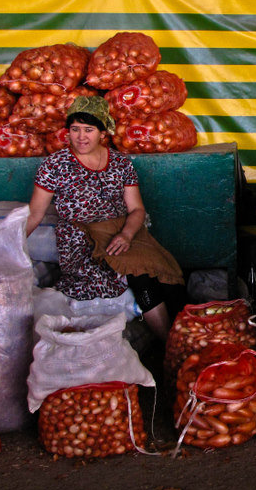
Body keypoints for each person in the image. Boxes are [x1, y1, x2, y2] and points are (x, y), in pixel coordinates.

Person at [26, 96, 178, 341]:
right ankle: (166, 345)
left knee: (161, 274)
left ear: (102, 132)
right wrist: (10, 243)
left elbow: (137, 210)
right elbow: (35, 213)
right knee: (140, 278)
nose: (81, 137)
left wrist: (126, 235)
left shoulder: (120, 164)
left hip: (120, 234)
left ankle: (170, 343)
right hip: (80, 242)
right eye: (74, 129)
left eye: (89, 130)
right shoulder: (54, 165)